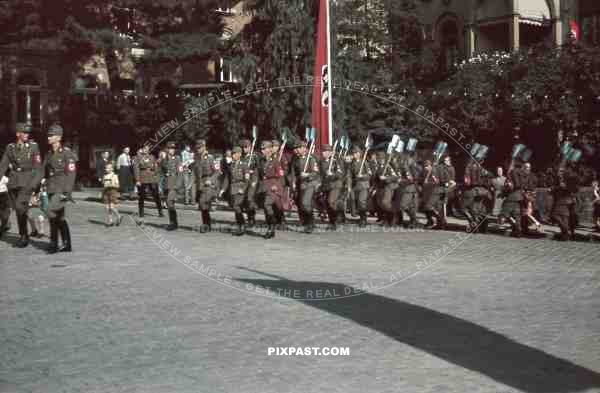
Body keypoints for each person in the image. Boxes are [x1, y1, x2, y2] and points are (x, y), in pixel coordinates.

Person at [31, 123, 77, 253]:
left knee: (50, 211)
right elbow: (42, 173)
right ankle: (66, 244)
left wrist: (67, 192)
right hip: (51, 188)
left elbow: (71, 173)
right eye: (48, 135)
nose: (48, 137)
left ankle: (54, 243)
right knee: (59, 217)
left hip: (61, 190)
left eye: (51, 135)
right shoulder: (49, 154)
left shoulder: (67, 153)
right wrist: (35, 189)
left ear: (59, 137)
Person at [0, 122, 41, 247]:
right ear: (18, 134)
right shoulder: (10, 147)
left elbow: (38, 167)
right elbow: (3, 165)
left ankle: (24, 236)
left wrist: (36, 185)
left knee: (19, 206)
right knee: (19, 210)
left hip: (27, 182)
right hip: (13, 182)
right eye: (24, 132)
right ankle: (24, 234)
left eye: (28, 132)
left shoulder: (33, 147)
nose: (27, 135)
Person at [289, 140, 320, 233]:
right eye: (296, 148)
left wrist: (307, 175)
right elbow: (293, 172)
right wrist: (293, 182)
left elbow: (316, 173)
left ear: (304, 148)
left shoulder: (311, 158)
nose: (296, 150)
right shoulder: (295, 158)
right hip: (300, 184)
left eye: (298, 148)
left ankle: (311, 223)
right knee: (301, 205)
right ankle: (307, 222)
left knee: (306, 203)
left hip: (310, 184)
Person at [221, 146, 250, 236]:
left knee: (236, 206)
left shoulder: (244, 165)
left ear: (239, 154)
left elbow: (247, 179)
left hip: (241, 188)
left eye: (234, 154)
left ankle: (242, 225)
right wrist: (223, 189)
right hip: (233, 189)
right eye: (232, 154)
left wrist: (243, 189)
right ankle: (241, 224)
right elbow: (227, 179)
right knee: (236, 207)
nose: (233, 156)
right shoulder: (231, 165)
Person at [192, 139, 217, 232]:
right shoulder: (196, 158)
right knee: (202, 205)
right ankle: (207, 224)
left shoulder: (210, 158)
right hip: (200, 183)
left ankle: (206, 225)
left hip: (208, 183)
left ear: (204, 147)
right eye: (197, 148)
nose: (198, 149)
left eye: (200, 148)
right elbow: (195, 171)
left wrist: (211, 180)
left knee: (203, 203)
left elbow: (217, 172)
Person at [463, 158, 492, 233]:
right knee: (480, 210)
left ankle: (474, 225)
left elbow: (467, 182)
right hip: (483, 192)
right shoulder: (483, 170)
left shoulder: (469, 168)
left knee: (465, 209)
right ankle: (484, 228)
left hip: (472, 191)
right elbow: (489, 178)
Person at [133, 145, 163, 219]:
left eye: (147, 149)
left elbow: (156, 166)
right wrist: (137, 180)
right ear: (142, 149)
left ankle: (160, 211)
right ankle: (141, 212)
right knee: (142, 196)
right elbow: (136, 169)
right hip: (142, 177)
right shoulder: (137, 158)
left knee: (156, 195)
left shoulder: (152, 157)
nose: (146, 150)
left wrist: (156, 175)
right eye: (144, 149)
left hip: (152, 177)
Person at [319, 144, 345, 230]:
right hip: (326, 186)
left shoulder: (336, 161)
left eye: (327, 151)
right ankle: (332, 221)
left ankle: (337, 218)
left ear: (330, 152)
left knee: (331, 202)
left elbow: (340, 174)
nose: (325, 153)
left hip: (335, 185)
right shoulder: (321, 162)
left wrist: (332, 175)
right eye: (323, 151)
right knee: (327, 203)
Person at [550, 165, 579, 241]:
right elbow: (555, 188)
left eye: (561, 171)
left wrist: (563, 187)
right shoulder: (557, 179)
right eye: (559, 171)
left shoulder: (568, 179)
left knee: (557, 215)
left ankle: (566, 231)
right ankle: (565, 234)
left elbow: (574, 189)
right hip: (560, 200)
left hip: (566, 200)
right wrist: (552, 189)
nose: (559, 173)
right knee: (562, 217)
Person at [160, 142, 183, 231]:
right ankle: (173, 223)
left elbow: (180, 173)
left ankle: (173, 223)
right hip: (166, 184)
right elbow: (161, 170)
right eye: (170, 148)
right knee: (169, 204)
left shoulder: (177, 159)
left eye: (173, 148)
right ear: (166, 149)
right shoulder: (164, 159)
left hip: (174, 183)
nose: (172, 150)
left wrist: (178, 185)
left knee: (169, 202)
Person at [349, 145, 372, 227]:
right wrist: (349, 185)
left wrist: (362, 176)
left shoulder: (364, 162)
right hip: (356, 186)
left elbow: (369, 175)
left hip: (364, 185)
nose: (355, 155)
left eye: (356, 153)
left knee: (362, 202)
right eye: (354, 153)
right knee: (358, 203)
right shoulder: (352, 164)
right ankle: (361, 217)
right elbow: (350, 176)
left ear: (359, 154)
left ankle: (363, 219)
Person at [240, 139, 259, 227]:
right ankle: (249, 217)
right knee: (244, 200)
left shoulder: (254, 156)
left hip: (252, 180)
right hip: (244, 181)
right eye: (243, 147)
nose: (244, 149)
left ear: (250, 147)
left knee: (250, 199)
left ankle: (252, 219)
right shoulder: (242, 157)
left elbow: (259, 168)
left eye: (246, 147)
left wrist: (252, 172)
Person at [101, 162, 122, 227]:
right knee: (107, 208)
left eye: (108, 168)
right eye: (106, 168)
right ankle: (110, 221)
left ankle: (119, 216)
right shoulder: (104, 176)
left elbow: (118, 185)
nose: (106, 169)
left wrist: (112, 185)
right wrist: (102, 191)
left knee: (111, 207)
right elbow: (103, 184)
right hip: (106, 192)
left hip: (112, 192)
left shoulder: (114, 176)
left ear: (112, 169)